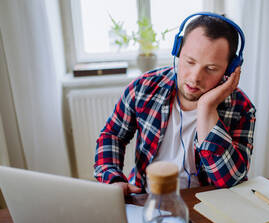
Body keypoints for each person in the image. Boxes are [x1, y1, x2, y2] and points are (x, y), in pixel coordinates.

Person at [94, 13, 256, 196]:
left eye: (211, 69)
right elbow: (113, 134)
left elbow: (230, 181)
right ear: (177, 50)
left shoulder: (242, 109)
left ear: (230, 69)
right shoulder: (144, 88)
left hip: (207, 205)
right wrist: (113, 178)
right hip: (147, 196)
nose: (195, 77)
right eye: (190, 61)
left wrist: (207, 108)